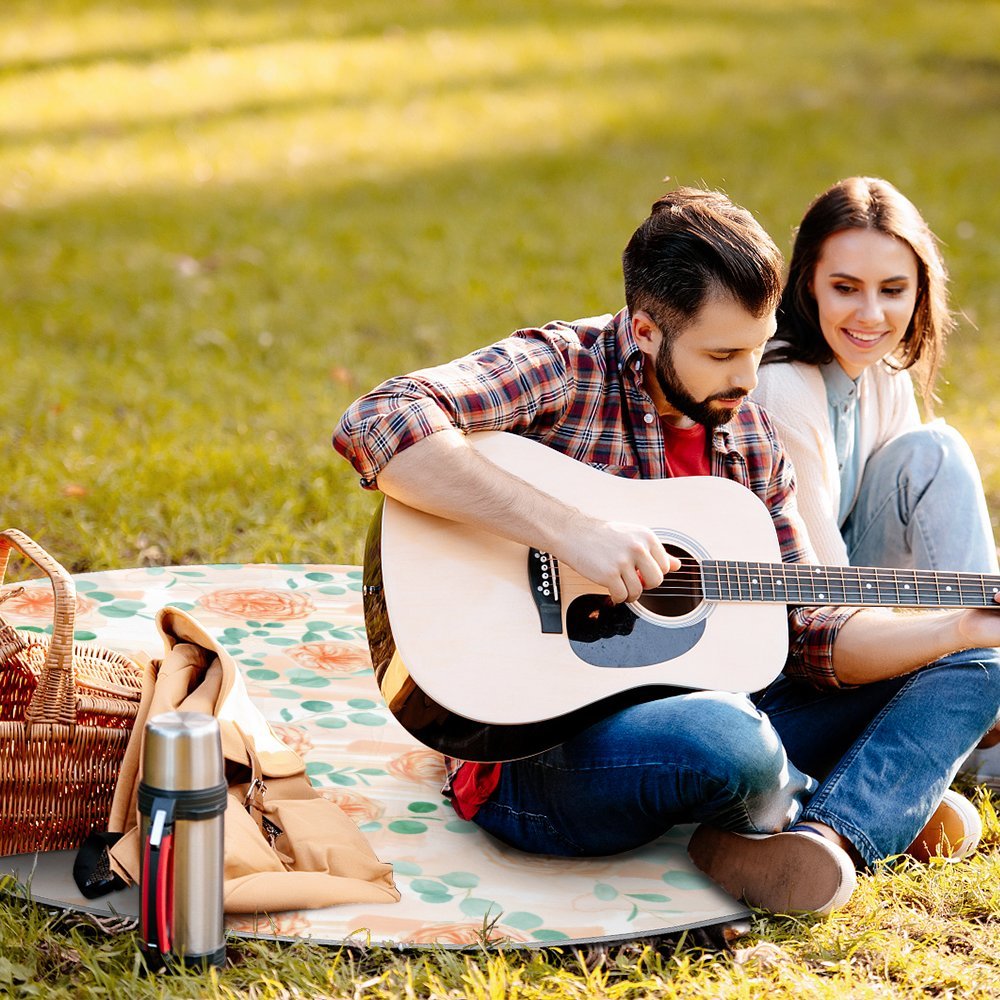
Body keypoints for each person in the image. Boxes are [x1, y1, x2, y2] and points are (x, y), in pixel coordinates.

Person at [333, 188, 1000, 916]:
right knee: (729, 741)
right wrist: (568, 530)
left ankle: (831, 836)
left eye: (757, 346)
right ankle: (862, 795)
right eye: (722, 354)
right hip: (536, 755)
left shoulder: (747, 435)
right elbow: (380, 419)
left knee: (981, 664)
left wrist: (956, 628)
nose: (748, 380)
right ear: (646, 331)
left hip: (721, 709)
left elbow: (810, 629)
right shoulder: (564, 367)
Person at [753, 176, 1000, 788]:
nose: (871, 315)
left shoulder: (882, 370)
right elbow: (824, 602)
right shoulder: (783, 386)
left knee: (931, 451)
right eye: (845, 288)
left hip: (860, 614)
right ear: (807, 281)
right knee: (937, 451)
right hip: (795, 649)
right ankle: (978, 728)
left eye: (893, 290)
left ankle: (979, 694)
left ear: (920, 291)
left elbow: (919, 544)